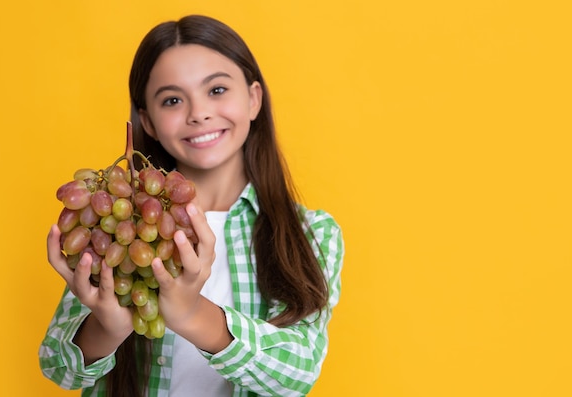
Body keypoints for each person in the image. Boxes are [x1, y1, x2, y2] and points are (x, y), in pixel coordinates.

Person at [39, 14, 344, 397]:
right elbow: (58, 368)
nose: (197, 112)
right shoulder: (118, 223)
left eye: (216, 90)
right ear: (147, 123)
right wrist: (107, 328)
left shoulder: (311, 233)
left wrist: (192, 314)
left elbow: (298, 373)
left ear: (253, 99)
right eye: (172, 100)